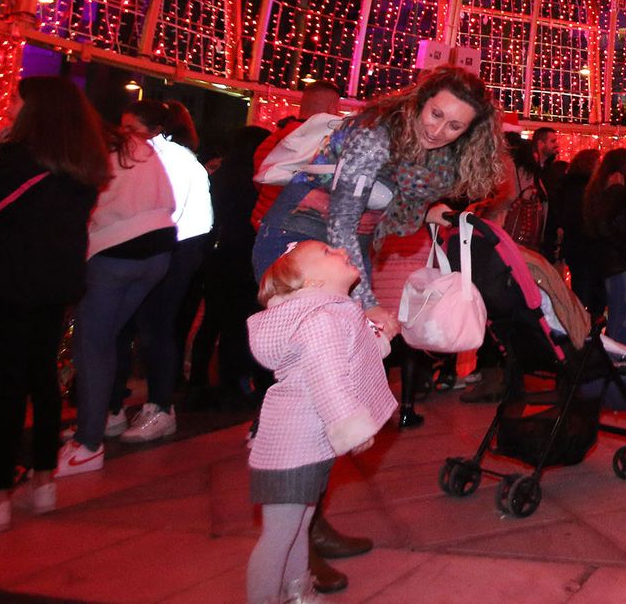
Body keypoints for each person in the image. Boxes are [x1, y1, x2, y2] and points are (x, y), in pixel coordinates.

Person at [251, 67, 503, 590]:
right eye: (435, 113)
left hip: (341, 250)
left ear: (470, 132)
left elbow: (383, 208)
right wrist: (366, 305)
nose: (438, 130)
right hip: (303, 244)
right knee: (314, 392)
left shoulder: (429, 156)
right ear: (420, 101)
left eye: (454, 126)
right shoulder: (374, 134)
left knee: (331, 389)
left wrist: (429, 212)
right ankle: (295, 534)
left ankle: (309, 524)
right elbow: (343, 218)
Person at [0, 79, 109, 538]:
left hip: (17, 281)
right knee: (41, 379)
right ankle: (42, 482)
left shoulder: (23, 159)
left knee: (9, 386)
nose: (9, 105)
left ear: (36, 109)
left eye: (17, 99)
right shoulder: (78, 160)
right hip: (55, 281)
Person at [245, 241, 397, 604]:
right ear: (311, 282)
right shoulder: (321, 319)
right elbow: (328, 378)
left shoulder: (327, 314)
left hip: (304, 445)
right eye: (327, 253)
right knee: (279, 536)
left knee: (299, 527)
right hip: (292, 447)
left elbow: (351, 354)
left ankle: (298, 590)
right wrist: (351, 426)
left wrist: (380, 335)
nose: (341, 251)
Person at [57, 113, 178, 478]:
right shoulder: (135, 146)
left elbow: (79, 208)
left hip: (114, 249)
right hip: (159, 247)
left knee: (93, 344)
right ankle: (98, 421)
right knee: (106, 340)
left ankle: (88, 443)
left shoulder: (87, 151)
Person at [118, 100, 214, 444]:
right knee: (128, 328)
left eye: (131, 128)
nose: (124, 134)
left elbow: (169, 211)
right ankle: (114, 406)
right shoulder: (150, 156)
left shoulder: (172, 160)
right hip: (152, 247)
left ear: (156, 130)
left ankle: (160, 407)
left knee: (154, 327)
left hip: (171, 248)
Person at [188, 124, 272, 409]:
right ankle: (232, 383)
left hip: (216, 255)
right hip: (245, 256)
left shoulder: (219, 178)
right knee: (239, 323)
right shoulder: (257, 182)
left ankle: (197, 382)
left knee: (212, 321)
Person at [251, 81, 344, 232]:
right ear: (332, 109)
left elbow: (259, 180)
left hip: (262, 221)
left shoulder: (272, 139)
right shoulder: (323, 144)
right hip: (292, 227)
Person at [585, 149, 626, 347]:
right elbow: (605, 223)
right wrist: (625, 249)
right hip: (618, 260)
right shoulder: (617, 188)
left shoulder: (609, 187)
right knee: (624, 310)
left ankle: (616, 350)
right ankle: (615, 352)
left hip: (616, 259)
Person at [548, 148, 600, 315]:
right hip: (584, 246)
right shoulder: (582, 188)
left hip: (577, 246)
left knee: (581, 288)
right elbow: (577, 218)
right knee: (585, 290)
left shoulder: (570, 185)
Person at [498, 127, 557, 252]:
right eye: (553, 141)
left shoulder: (512, 169)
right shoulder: (533, 172)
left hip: (510, 231)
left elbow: (509, 197)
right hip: (530, 237)